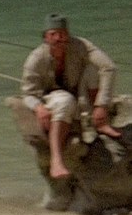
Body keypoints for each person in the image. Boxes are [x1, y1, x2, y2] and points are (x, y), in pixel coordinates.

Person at [21, 13, 121, 180]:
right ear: (45, 38)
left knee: (94, 70)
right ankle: (56, 160)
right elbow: (27, 93)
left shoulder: (81, 45)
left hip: (79, 94)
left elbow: (109, 67)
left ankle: (100, 121)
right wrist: (38, 108)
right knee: (65, 100)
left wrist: (101, 105)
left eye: (62, 33)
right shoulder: (36, 59)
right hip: (53, 98)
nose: (58, 38)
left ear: (68, 35)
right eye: (53, 34)